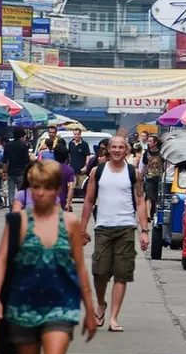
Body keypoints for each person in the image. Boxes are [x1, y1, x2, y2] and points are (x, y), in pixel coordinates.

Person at [0, 161, 97, 354]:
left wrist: (90, 310)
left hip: (61, 304)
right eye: (36, 187)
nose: (40, 193)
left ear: (57, 188)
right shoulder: (17, 222)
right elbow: (1, 262)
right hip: (23, 304)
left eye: (47, 187)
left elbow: (80, 267)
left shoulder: (70, 223)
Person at [80, 136, 148, 333]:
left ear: (126, 150)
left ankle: (113, 318)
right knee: (100, 272)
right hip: (103, 227)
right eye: (114, 147)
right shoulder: (97, 172)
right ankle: (101, 304)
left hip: (126, 228)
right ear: (108, 150)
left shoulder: (133, 173)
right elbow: (88, 201)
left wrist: (144, 230)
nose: (117, 150)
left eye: (121, 147)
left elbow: (141, 201)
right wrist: (82, 229)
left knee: (122, 274)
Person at [4, 128, 31, 208]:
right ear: (22, 136)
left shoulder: (8, 145)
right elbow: (27, 161)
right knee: (21, 191)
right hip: (21, 172)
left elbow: (5, 160)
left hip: (11, 171)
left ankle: (12, 207)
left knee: (11, 191)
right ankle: (20, 207)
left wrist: (4, 172)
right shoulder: (24, 146)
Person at [142, 136, 163, 223]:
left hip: (159, 177)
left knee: (158, 197)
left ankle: (156, 214)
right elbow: (144, 165)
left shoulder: (162, 153)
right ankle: (148, 215)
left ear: (155, 143)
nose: (148, 142)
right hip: (149, 177)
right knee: (148, 196)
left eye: (150, 141)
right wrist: (141, 176)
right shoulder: (146, 153)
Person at [53, 144, 76, 211]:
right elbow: (71, 187)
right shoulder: (69, 170)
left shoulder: (49, 168)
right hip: (62, 201)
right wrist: (68, 203)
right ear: (66, 156)